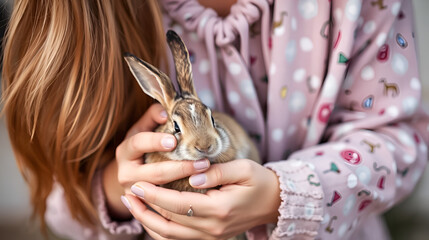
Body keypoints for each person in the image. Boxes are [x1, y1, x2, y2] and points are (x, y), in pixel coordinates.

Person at [2, 0, 428, 239]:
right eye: (184, 129)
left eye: (206, 123)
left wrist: (284, 195)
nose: (204, 143)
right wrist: (120, 188)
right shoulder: (90, 20)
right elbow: (61, 204)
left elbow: (400, 143)